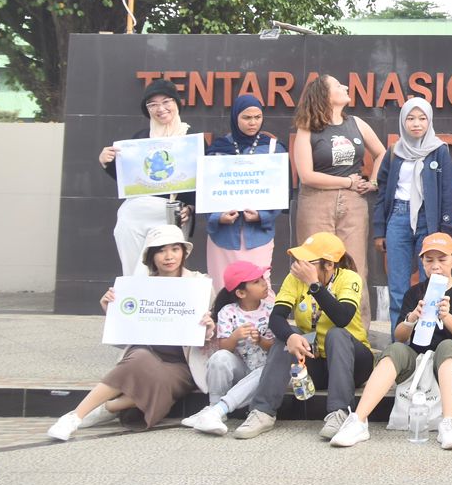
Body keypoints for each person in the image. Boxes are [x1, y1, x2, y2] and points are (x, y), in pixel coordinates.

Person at [48, 225, 216, 440]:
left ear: (184, 252)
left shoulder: (200, 284)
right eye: (161, 250)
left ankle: (107, 409)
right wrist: (112, 312)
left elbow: (212, 334)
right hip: (146, 350)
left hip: (184, 362)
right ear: (151, 256)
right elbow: (126, 330)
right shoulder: (137, 287)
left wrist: (209, 328)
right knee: (138, 359)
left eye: (175, 249)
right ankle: (73, 417)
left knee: (162, 381)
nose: (168, 256)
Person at [330, 232, 452, 450]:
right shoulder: (415, 292)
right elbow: (400, 336)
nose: (436, 266)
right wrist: (412, 318)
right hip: (419, 365)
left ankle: (448, 423)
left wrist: (446, 316)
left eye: (442, 259)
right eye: (429, 260)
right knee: (394, 350)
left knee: (447, 345)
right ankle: (358, 421)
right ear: (422, 262)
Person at [232, 232, 374, 440]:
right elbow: (277, 317)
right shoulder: (294, 279)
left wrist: (314, 285)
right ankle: (262, 411)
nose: (299, 266)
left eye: (307, 262)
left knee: (336, 334)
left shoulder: (349, 278)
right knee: (287, 335)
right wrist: (290, 336)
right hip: (315, 360)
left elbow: (342, 317)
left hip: (353, 362)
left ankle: (340, 412)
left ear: (329, 264)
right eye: (299, 260)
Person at [291, 75, 386, 319]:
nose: (345, 87)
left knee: (354, 266)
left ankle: (357, 329)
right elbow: (306, 175)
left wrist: (373, 182)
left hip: (353, 204)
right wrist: (347, 181)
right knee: (314, 263)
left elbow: (382, 153)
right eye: (338, 85)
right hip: (316, 201)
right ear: (324, 95)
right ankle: (311, 327)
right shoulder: (307, 128)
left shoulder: (356, 123)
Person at [373, 97, 452, 337]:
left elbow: (448, 194)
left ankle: (426, 341)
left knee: (430, 283)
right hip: (398, 218)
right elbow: (381, 194)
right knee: (398, 286)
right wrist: (379, 231)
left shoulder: (439, 151)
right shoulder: (394, 152)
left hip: (428, 220)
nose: (416, 124)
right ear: (403, 121)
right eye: (410, 118)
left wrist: (445, 234)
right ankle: (399, 343)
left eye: (422, 118)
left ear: (429, 121)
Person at [98, 79, 195, 276]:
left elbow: (200, 184)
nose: (161, 108)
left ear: (176, 103)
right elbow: (133, 181)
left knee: (167, 269)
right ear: (147, 110)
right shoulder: (140, 139)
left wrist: (191, 208)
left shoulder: (192, 139)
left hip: (169, 214)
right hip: (134, 214)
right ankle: (135, 301)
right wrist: (107, 163)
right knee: (133, 269)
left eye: (166, 101)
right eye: (153, 104)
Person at [181, 260, 274, 436]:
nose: (264, 283)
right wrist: (235, 336)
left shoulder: (271, 310)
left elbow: (273, 347)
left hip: (262, 372)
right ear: (240, 292)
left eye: (262, 278)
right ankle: (214, 406)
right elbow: (224, 348)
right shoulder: (228, 312)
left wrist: (260, 340)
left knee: (268, 370)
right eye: (256, 281)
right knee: (219, 357)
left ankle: (216, 411)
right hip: (240, 370)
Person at [203, 94, 283, 286]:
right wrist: (217, 217)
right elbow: (206, 193)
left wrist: (262, 215)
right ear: (235, 117)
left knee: (259, 287)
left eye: (257, 117)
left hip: (258, 235)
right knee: (223, 287)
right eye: (246, 118)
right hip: (223, 236)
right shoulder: (219, 149)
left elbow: (281, 192)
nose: (253, 123)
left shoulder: (273, 149)